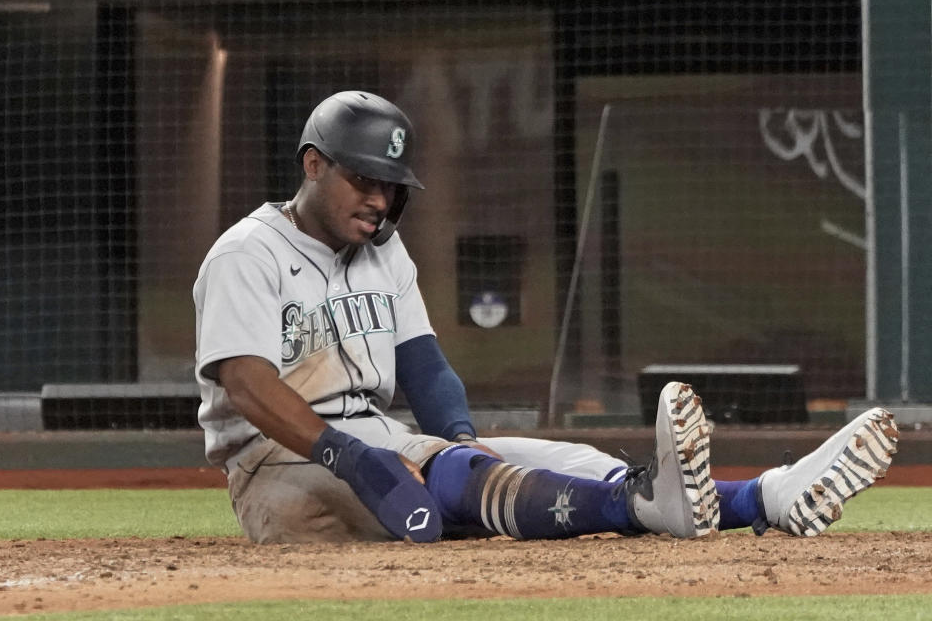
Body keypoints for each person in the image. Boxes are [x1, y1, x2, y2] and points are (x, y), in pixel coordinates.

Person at [193, 90, 899, 544]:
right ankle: (654, 510)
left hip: (391, 445)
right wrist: (353, 455)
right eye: (362, 178)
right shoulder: (246, 255)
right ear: (313, 164)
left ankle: (765, 496)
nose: (379, 198)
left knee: (571, 461)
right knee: (460, 483)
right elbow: (249, 385)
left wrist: (465, 444)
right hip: (281, 467)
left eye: (391, 185)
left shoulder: (383, 251)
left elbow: (425, 366)